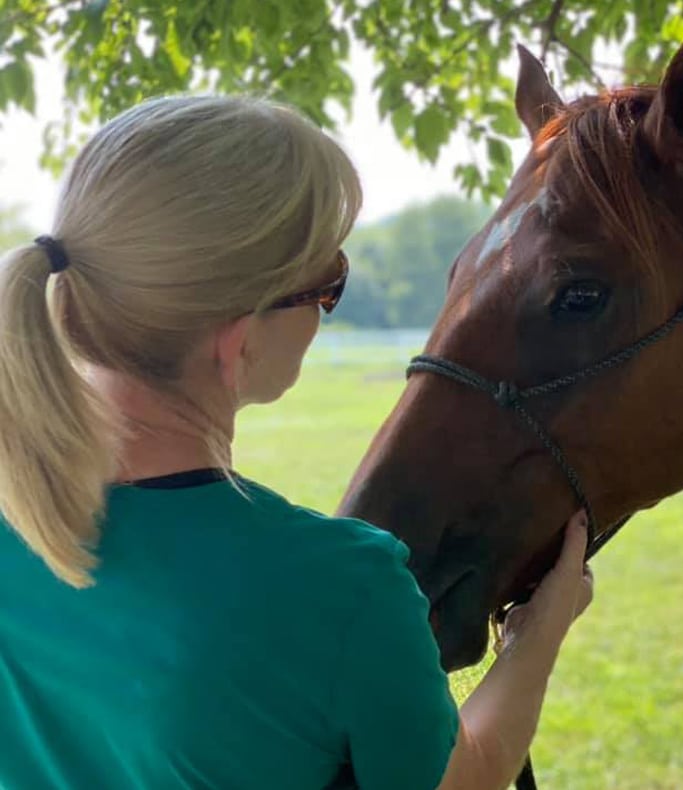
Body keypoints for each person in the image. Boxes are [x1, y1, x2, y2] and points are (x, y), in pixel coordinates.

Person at [0, 96, 593, 790]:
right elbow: (470, 780)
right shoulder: (342, 588)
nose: (324, 314)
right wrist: (536, 635)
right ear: (241, 338)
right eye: (327, 284)